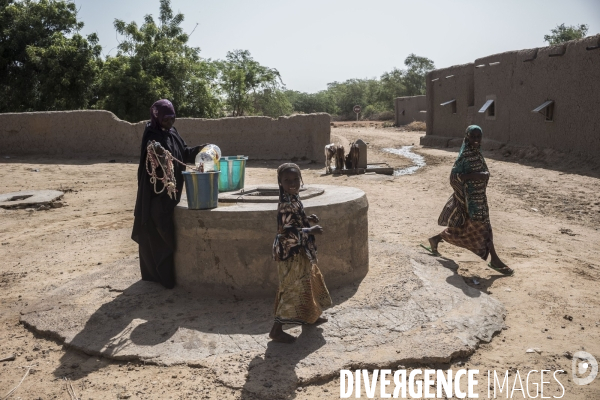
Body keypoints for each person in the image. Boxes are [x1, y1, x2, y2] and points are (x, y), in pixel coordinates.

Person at [132, 99, 207, 288]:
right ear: (157, 117)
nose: (170, 122)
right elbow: (150, 165)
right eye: (166, 119)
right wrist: (158, 154)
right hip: (157, 196)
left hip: (171, 194)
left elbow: (183, 153)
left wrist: (200, 149)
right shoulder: (151, 136)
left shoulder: (172, 132)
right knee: (160, 234)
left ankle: (165, 276)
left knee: (166, 234)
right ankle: (163, 279)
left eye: (173, 118)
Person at [422, 125, 514, 276]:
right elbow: (454, 177)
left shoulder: (478, 153)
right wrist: (475, 176)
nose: (476, 140)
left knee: (471, 230)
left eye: (479, 137)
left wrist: (484, 175)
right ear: (467, 137)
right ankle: (495, 260)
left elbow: (482, 171)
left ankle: (436, 239)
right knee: (482, 230)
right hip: (470, 201)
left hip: (481, 199)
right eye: (473, 137)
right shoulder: (464, 156)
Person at [270, 163, 332, 343]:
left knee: (308, 284)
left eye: (296, 179)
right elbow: (286, 233)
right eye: (287, 180)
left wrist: (306, 219)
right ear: (280, 183)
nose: (292, 183)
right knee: (291, 289)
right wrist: (309, 230)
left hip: (301, 252)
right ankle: (276, 329)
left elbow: (295, 222)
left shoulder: (294, 199)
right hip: (291, 254)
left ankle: (310, 316)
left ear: (301, 179)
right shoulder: (285, 205)